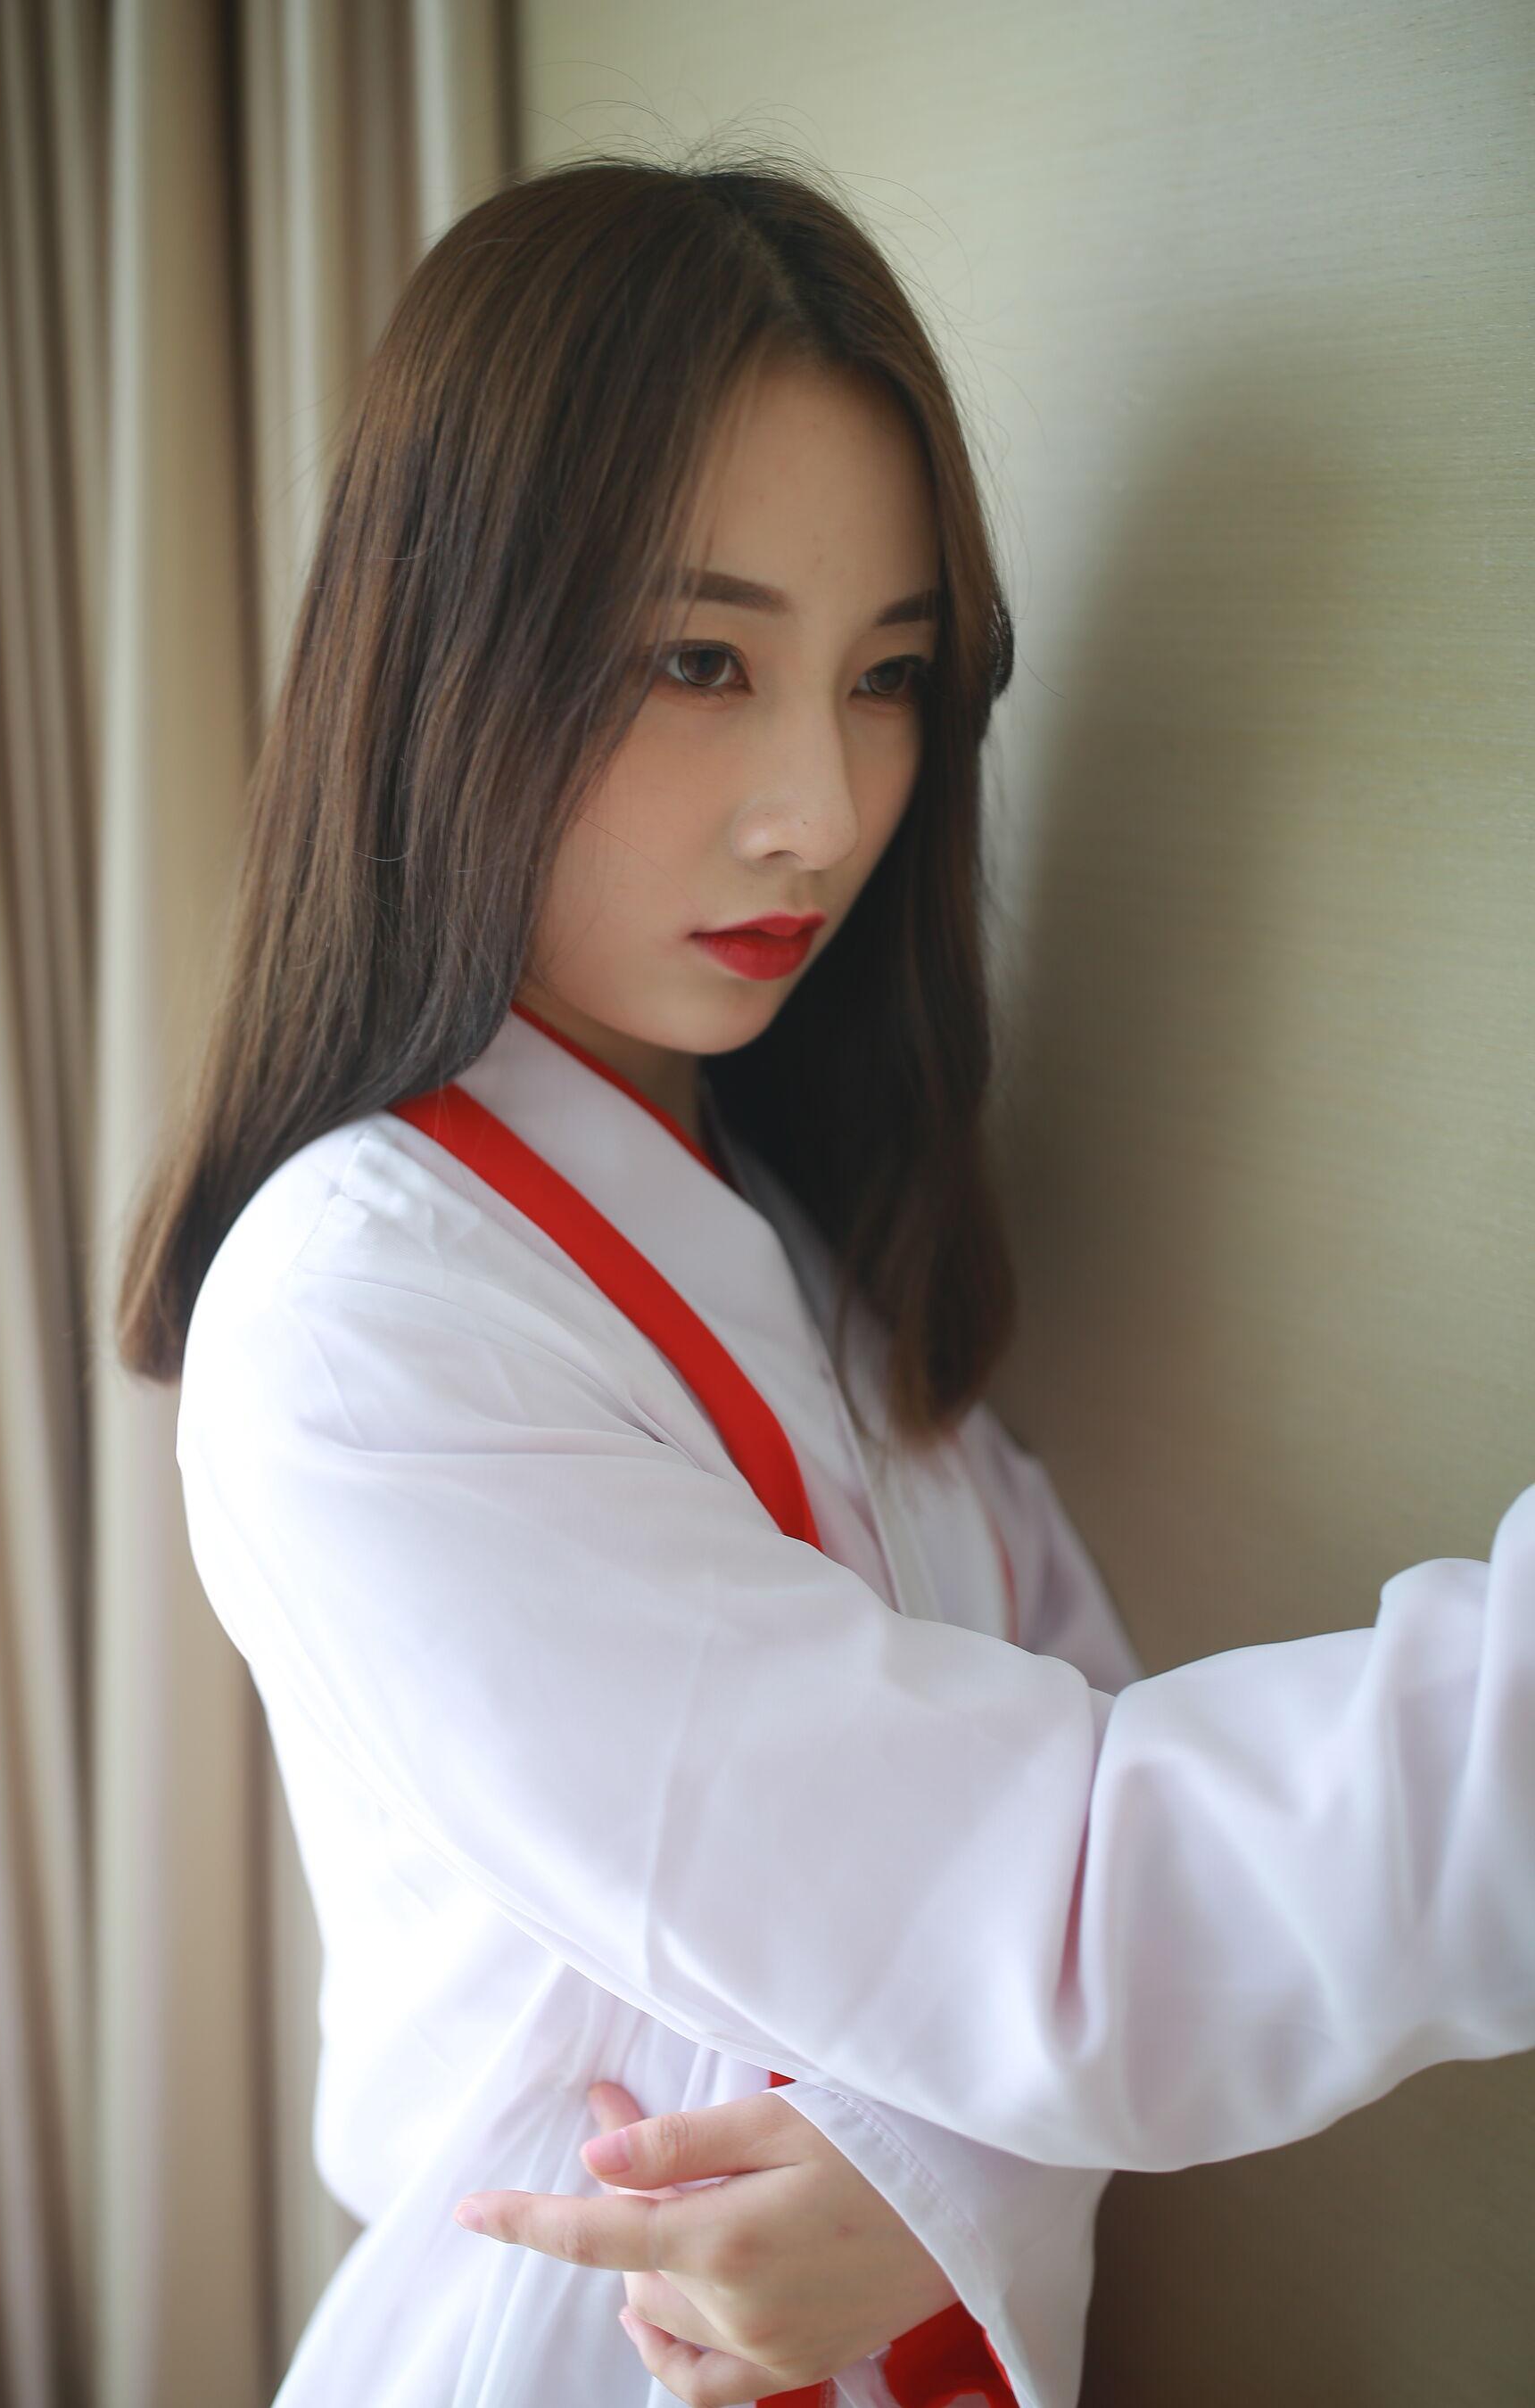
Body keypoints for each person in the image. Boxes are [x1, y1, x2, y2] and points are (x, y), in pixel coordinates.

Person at [114, 151, 1535, 2408]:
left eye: (887, 678)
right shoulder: (359, 1323)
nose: (824, 806)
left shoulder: (801, 1237)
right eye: (702, 659)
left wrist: (927, 2158)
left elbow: (1058, 1771)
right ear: (451, 655)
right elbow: (1062, 1908)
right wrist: (971, 2122)